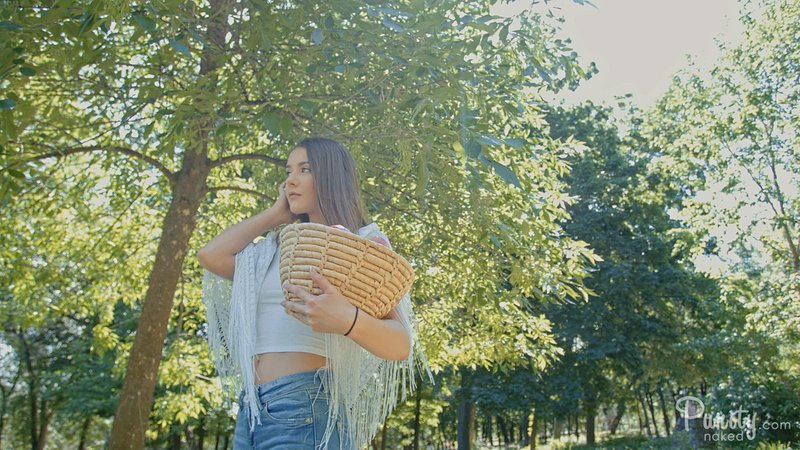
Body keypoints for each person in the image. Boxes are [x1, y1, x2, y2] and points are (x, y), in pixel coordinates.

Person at [198, 137, 432, 450]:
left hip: (306, 405)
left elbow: (400, 344)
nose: (290, 180)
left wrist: (347, 319)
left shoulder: (363, 244)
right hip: (252, 410)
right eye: (288, 171)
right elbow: (211, 256)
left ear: (331, 175)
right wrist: (275, 215)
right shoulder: (277, 248)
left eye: (304, 169)